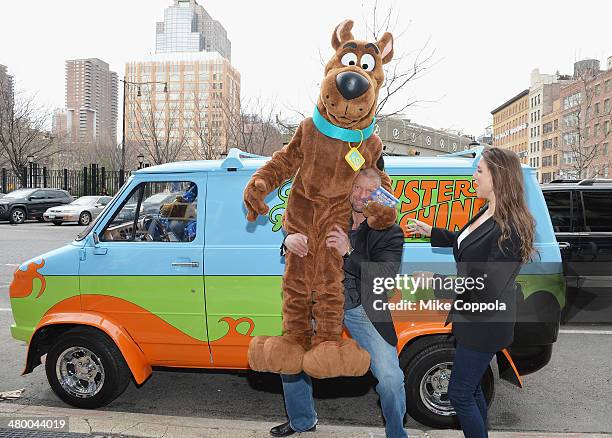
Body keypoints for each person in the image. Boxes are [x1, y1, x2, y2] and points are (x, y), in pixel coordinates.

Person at [407, 147, 535, 438]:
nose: (473, 176)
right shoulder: (487, 212)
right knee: (471, 388)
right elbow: (467, 241)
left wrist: (435, 282)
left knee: (460, 394)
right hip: (471, 320)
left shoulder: (509, 229)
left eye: (479, 171)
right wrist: (432, 231)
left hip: (485, 325)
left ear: (498, 178)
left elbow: (487, 288)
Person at [270, 168, 407, 438]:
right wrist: (287, 239)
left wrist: (349, 252)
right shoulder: (328, 214)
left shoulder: (389, 231)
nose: (361, 195)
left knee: (391, 379)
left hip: (362, 307)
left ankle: (396, 433)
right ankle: (302, 421)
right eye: (357, 187)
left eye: (370, 191)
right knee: (290, 358)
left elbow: (386, 274)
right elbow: (295, 228)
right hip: (319, 303)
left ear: (379, 194)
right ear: (348, 185)